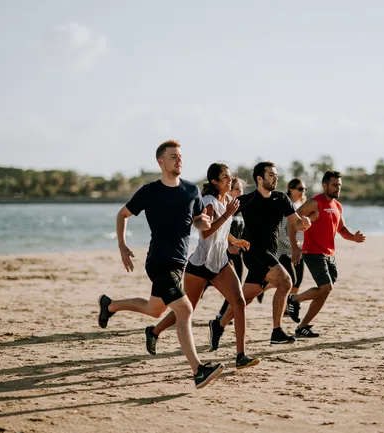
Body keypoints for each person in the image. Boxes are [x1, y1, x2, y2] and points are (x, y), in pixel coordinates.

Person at [97, 140, 224, 389]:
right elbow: (122, 214)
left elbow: (198, 220)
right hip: (158, 261)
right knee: (185, 310)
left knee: (155, 310)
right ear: (161, 162)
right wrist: (122, 246)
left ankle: (109, 305)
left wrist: (204, 223)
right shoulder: (150, 191)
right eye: (173, 156)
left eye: (180, 156)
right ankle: (198, 370)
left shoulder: (191, 190)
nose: (178, 160)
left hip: (179, 262)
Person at [144, 164, 261, 369]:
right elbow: (206, 233)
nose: (229, 179)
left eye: (229, 176)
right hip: (199, 265)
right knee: (187, 309)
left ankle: (240, 356)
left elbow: (221, 231)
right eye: (224, 177)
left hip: (220, 263)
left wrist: (234, 241)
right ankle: (154, 331)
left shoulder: (227, 201)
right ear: (215, 182)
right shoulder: (208, 202)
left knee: (239, 302)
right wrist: (228, 215)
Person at [209, 161, 312, 348]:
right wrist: (230, 242)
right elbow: (221, 221)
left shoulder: (281, 199)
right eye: (271, 175)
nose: (276, 178)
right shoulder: (246, 200)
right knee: (286, 281)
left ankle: (218, 324)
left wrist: (303, 224)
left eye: (276, 175)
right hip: (254, 252)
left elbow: (295, 223)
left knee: (246, 298)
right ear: (259, 178)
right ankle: (277, 331)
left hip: (270, 252)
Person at [286, 170, 366, 338]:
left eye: (340, 186)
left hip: (329, 254)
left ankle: (302, 327)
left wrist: (354, 238)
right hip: (313, 252)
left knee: (325, 291)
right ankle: (294, 299)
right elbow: (292, 221)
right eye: (334, 185)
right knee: (326, 287)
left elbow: (341, 229)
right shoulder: (314, 203)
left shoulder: (337, 206)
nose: (338, 188)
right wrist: (294, 247)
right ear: (325, 185)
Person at [215, 177, 247, 320]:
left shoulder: (242, 208)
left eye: (241, 189)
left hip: (237, 254)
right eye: (237, 189)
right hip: (222, 252)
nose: (240, 192)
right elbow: (217, 228)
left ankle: (223, 313)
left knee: (236, 285)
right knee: (204, 284)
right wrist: (229, 245)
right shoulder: (225, 207)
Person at [276, 178, 308, 319]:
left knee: (298, 280)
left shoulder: (302, 205)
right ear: (291, 189)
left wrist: (303, 245)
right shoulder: (286, 206)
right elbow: (281, 231)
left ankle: (289, 306)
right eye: (300, 189)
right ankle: (283, 306)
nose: (303, 192)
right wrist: (293, 245)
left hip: (300, 249)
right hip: (283, 251)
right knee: (291, 279)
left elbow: (303, 230)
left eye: (304, 189)